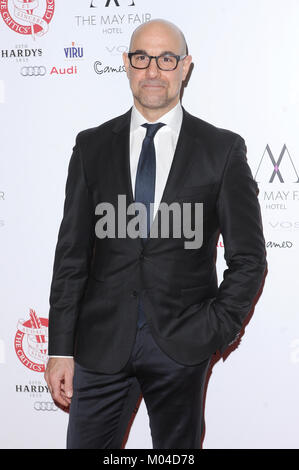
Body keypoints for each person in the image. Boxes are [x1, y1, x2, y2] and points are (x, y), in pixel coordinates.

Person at [45, 19, 267, 449]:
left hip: (182, 346)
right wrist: (61, 348)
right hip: (99, 346)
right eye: (142, 58)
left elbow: (249, 259)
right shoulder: (91, 147)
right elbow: (71, 255)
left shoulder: (221, 150)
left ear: (185, 68)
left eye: (166, 59)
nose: (153, 71)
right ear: (126, 65)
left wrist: (216, 329)